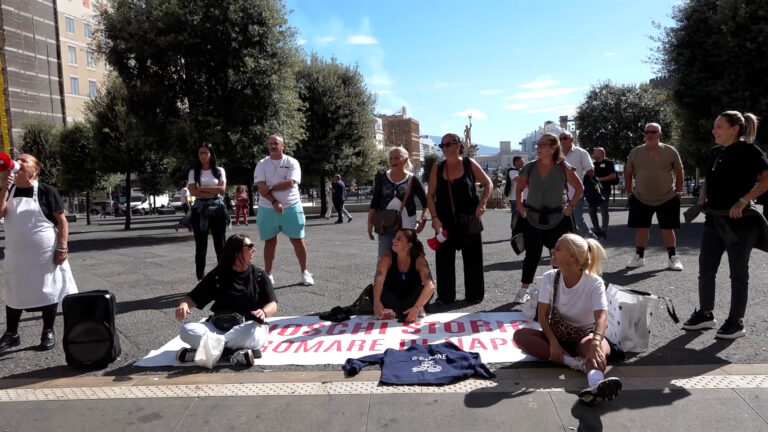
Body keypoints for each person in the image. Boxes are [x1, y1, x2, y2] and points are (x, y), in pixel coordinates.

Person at [682, 111, 768, 339]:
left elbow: (767, 179)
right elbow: (708, 180)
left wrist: (743, 200)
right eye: (714, 126)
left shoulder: (750, 151)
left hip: (741, 225)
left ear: (734, 128)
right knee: (706, 270)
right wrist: (701, 201)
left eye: (719, 127)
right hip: (714, 220)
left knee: (738, 274)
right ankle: (706, 314)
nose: (714, 131)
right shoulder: (714, 152)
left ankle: (736, 321)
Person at [513, 233, 622, 405]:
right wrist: (554, 343)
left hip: (583, 336)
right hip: (555, 336)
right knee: (520, 336)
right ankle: (575, 363)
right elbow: (542, 316)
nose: (552, 251)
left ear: (572, 257)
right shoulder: (550, 277)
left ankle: (595, 385)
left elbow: (601, 317)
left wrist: (594, 342)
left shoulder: (594, 282)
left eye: (558, 248)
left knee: (601, 348)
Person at [0, 154, 78, 352]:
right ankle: (12, 333)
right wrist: (4, 187)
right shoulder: (8, 190)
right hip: (17, 255)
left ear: (35, 170)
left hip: (44, 254)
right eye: (18, 159)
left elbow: (62, 221)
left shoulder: (46, 191)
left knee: (48, 290)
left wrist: (62, 247)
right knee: (15, 291)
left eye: (25, 160)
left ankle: (48, 331)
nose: (19, 162)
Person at [174, 234, 277, 367]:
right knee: (186, 330)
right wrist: (183, 304)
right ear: (236, 251)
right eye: (250, 246)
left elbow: (273, 304)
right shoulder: (218, 275)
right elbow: (191, 298)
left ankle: (206, 351)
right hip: (219, 327)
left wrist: (264, 311)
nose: (254, 249)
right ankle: (232, 353)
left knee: (252, 333)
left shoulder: (258, 275)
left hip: (246, 328)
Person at [513, 133, 583, 304]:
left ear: (553, 148)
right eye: (538, 144)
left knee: (559, 256)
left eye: (542, 144)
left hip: (557, 218)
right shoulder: (529, 167)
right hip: (532, 217)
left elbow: (579, 187)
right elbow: (520, 188)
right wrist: (520, 206)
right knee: (532, 254)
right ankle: (524, 289)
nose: (538, 147)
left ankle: (559, 290)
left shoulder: (563, 167)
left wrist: (570, 206)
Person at [427, 133, 492, 305]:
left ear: (459, 145)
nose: (445, 148)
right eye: (442, 146)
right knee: (444, 261)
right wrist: (434, 218)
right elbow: (430, 195)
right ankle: (446, 297)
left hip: (469, 218)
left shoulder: (469, 164)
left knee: (473, 259)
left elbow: (488, 183)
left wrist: (483, 203)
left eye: (448, 144)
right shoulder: (437, 167)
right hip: (444, 221)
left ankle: (474, 295)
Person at [254, 134, 313, 286]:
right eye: (270, 144)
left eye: (276, 143)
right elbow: (261, 188)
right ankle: (268, 274)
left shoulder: (292, 162)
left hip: (291, 206)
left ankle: (305, 272)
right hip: (267, 208)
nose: (272, 146)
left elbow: (290, 183)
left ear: (283, 146)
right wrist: (274, 201)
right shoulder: (262, 164)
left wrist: (271, 186)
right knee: (270, 241)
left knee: (298, 240)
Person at [625, 123, 685, 271]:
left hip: (667, 197)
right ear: (644, 135)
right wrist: (629, 193)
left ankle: (672, 258)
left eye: (653, 132)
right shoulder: (636, 152)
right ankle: (639, 257)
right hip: (640, 198)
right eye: (647, 132)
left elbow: (679, 171)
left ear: (660, 134)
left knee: (667, 229)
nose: (649, 134)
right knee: (642, 228)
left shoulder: (670, 151)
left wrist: (678, 192)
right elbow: (628, 173)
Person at [368, 147, 428, 258]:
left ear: (405, 160)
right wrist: (369, 224)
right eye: (391, 158)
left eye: (396, 158)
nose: (393, 161)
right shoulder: (382, 177)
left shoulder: (413, 179)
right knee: (384, 259)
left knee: (407, 259)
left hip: (407, 226)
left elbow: (426, 203)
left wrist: (423, 220)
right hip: (385, 225)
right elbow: (374, 203)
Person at [372, 229, 435, 323]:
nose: (394, 240)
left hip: (411, 297)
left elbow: (430, 285)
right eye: (394, 238)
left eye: (399, 239)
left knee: (425, 290)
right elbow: (379, 280)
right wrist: (376, 303)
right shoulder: (387, 257)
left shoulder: (419, 260)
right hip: (392, 296)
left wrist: (416, 307)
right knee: (375, 291)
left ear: (409, 245)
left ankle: (398, 312)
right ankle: (408, 311)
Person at [188, 143, 228, 280]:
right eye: (200, 153)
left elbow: (222, 190)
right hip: (199, 208)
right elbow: (192, 191)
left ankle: (224, 275)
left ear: (211, 154)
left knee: (220, 244)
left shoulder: (219, 171)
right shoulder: (194, 172)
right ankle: (200, 277)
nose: (202, 156)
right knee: (200, 245)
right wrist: (213, 189)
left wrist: (202, 190)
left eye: (205, 153)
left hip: (216, 206)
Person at [559, 131, 596, 239]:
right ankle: (569, 245)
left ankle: (592, 239)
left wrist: (579, 177)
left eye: (565, 138)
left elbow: (590, 171)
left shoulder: (581, 153)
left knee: (577, 219)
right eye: (560, 139)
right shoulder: (556, 153)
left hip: (576, 193)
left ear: (572, 140)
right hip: (559, 195)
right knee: (560, 222)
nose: (562, 141)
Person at [589, 147, 618, 239]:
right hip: (593, 190)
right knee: (592, 210)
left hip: (604, 190)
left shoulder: (608, 163)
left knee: (603, 210)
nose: (593, 154)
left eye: (594, 152)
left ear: (601, 153)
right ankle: (596, 229)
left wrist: (600, 179)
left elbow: (613, 176)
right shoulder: (593, 164)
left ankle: (604, 230)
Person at [505, 156, 525, 228]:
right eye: (522, 160)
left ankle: (519, 228)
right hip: (514, 197)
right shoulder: (512, 171)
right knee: (516, 213)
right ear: (516, 162)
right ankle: (514, 228)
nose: (523, 162)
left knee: (522, 214)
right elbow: (518, 180)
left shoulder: (522, 171)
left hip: (522, 196)